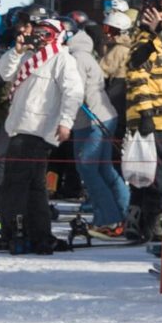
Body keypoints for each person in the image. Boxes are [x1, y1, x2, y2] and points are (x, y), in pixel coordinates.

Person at [0, 20, 83, 253]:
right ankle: (38, 234)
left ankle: (14, 231)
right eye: (37, 32)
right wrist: (17, 50)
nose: (39, 36)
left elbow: (73, 93)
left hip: (38, 129)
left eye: (45, 33)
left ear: (55, 35)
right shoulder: (29, 56)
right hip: (19, 127)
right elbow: (4, 72)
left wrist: (66, 122)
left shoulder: (62, 59)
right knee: (34, 187)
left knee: (16, 185)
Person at [123, 4, 162, 244]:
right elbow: (137, 77)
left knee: (147, 171)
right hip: (154, 117)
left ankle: (138, 220)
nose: (159, 22)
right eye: (155, 18)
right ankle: (152, 223)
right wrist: (146, 112)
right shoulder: (147, 41)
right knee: (155, 174)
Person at [67, 23, 129, 237]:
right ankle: (121, 213)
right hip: (92, 119)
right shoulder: (82, 55)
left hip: (96, 118)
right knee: (103, 169)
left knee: (88, 167)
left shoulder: (77, 57)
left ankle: (109, 220)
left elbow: (74, 92)